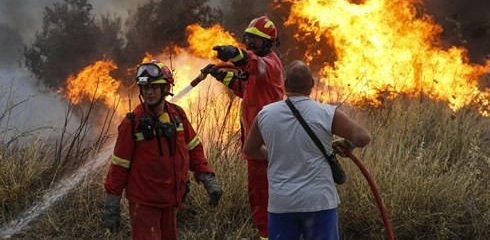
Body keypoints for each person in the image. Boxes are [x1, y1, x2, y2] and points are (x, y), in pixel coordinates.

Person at [243, 60, 371, 240]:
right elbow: (363, 137)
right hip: (319, 202)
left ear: (285, 84)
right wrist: (347, 145)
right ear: (311, 85)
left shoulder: (265, 114)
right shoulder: (327, 113)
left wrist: (276, 155)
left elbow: (250, 150)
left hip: (282, 204)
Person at [102, 60, 223, 240]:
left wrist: (207, 178)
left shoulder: (178, 116)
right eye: (144, 87)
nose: (148, 92)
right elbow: (119, 166)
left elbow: (194, 149)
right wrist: (111, 206)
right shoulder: (132, 123)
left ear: (166, 88)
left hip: (171, 201)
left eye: (154, 87)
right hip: (145, 203)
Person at [204, 15, 284, 240]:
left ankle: (271, 235)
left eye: (256, 41)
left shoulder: (270, 63)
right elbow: (246, 89)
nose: (250, 44)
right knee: (257, 195)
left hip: (268, 144)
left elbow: (254, 65)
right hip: (256, 142)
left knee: (265, 195)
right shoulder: (256, 65)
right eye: (248, 39)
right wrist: (223, 77)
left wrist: (236, 54)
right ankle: (266, 234)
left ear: (268, 43)